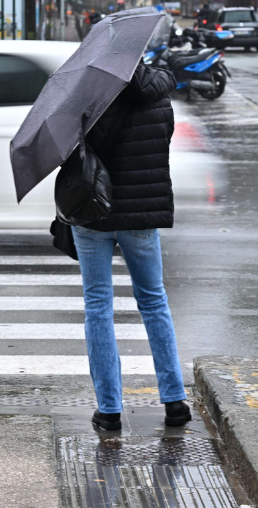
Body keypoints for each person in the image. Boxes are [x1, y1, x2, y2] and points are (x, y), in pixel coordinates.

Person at [72, 57, 190, 431]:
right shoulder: (160, 93)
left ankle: (109, 410)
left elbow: (74, 153)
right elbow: (162, 144)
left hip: (95, 213)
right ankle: (175, 402)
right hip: (141, 215)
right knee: (154, 301)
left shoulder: (91, 94)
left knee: (98, 306)